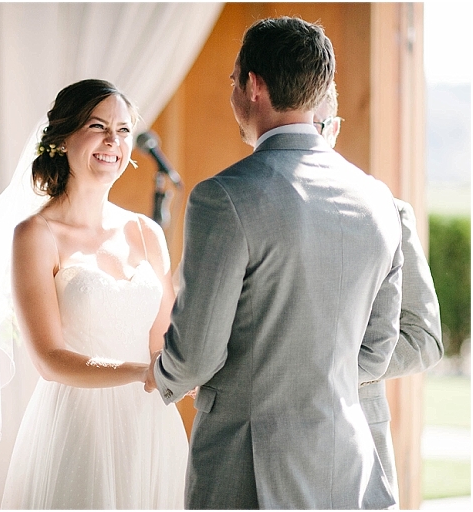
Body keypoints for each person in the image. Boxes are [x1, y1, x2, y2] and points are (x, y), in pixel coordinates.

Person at [145, 17, 403, 509]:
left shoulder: (224, 197)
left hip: (249, 469)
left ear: (254, 86)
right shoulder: (378, 201)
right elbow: (377, 349)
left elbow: (195, 355)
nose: (232, 93)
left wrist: (160, 374)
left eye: (233, 80)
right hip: (348, 464)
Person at [0, 78, 188, 508]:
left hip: (149, 424)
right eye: (97, 126)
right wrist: (139, 372)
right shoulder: (35, 235)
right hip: (79, 426)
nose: (113, 140)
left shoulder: (147, 232)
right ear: (62, 138)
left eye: (123, 130)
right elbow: (49, 360)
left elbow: (163, 343)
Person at [315, 81, 444, 503]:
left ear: (333, 129)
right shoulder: (246, 206)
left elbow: (423, 338)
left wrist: (331, 373)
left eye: (314, 126)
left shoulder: (388, 210)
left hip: (358, 435)